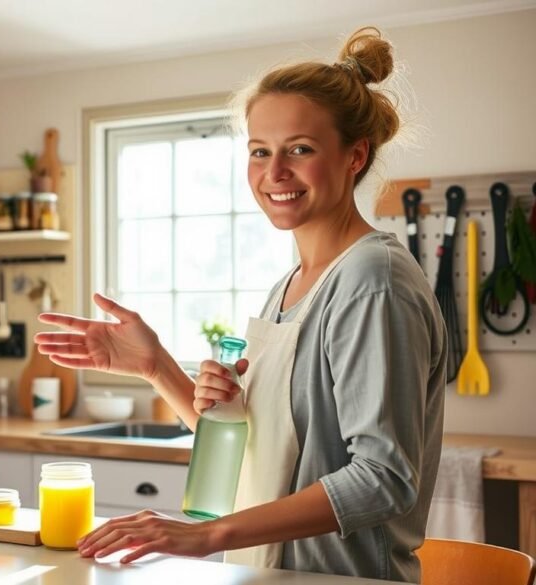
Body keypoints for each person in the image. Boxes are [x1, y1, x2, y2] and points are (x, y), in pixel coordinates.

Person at [34, 27, 446, 583]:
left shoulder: (374, 280)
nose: (274, 173)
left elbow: (383, 477)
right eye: (259, 151)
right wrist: (155, 366)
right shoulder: (290, 285)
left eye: (300, 149)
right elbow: (256, 457)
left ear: (355, 156)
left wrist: (207, 534)